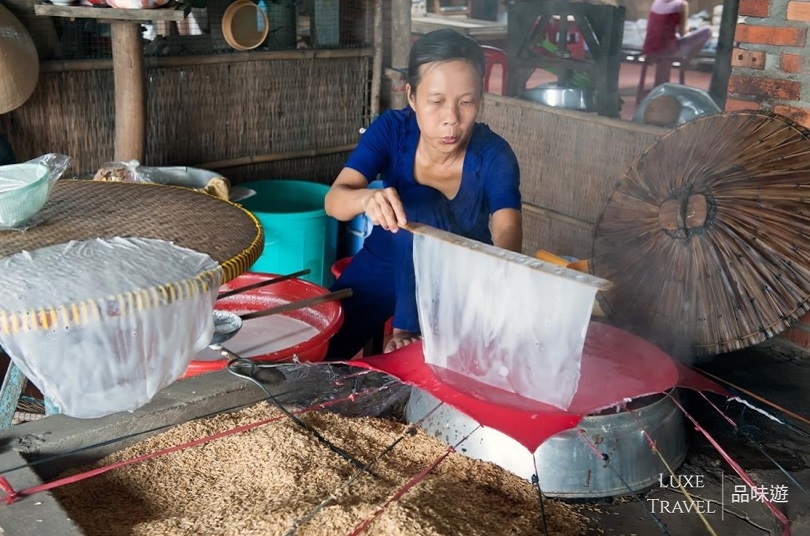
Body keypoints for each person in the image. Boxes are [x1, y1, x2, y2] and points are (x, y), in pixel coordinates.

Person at [324, 29, 522, 360]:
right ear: (412, 96)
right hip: (388, 258)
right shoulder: (392, 130)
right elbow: (334, 202)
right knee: (325, 345)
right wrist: (366, 200)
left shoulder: (494, 154)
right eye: (436, 102)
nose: (452, 120)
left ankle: (409, 327)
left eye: (466, 102)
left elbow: (507, 230)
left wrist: (497, 284)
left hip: (460, 272)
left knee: (444, 372)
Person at [641, 0, 713, 87]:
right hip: (668, 50)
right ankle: (688, 62)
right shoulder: (682, 4)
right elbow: (682, 32)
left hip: (649, 48)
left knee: (667, 44)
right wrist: (689, 27)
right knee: (708, 30)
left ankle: (685, 63)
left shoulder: (656, 1)